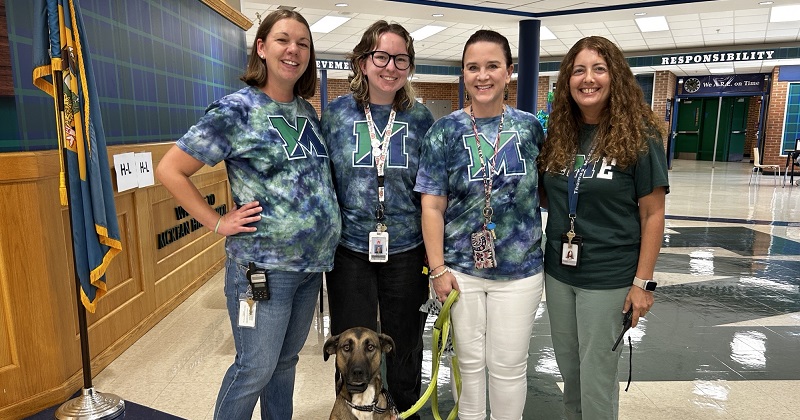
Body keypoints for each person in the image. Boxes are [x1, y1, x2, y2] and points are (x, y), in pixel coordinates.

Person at [155, 10, 341, 420]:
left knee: (285, 364)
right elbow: (170, 169)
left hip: (310, 268)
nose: (294, 50)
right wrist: (217, 221)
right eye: (283, 40)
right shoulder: (236, 110)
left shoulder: (306, 112)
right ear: (261, 47)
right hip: (263, 269)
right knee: (254, 367)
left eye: (303, 44)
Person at [414, 30, 545, 420]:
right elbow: (432, 207)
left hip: (520, 271)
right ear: (463, 75)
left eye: (492, 66)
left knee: (508, 366)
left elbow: (547, 193)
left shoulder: (530, 129)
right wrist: (437, 269)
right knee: (468, 366)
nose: (482, 75)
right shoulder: (445, 131)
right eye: (473, 67)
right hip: (458, 270)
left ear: (509, 72)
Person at [538, 35, 669, 420]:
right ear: (567, 80)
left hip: (609, 276)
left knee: (597, 375)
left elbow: (653, 214)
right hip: (559, 272)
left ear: (616, 77)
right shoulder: (560, 133)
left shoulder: (640, 136)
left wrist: (642, 284)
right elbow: (550, 194)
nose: (588, 78)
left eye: (599, 68)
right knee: (569, 369)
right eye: (579, 70)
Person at [320, 20, 434, 418]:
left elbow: (433, 191)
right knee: (353, 349)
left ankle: (402, 412)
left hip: (406, 248)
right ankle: (352, 412)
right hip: (350, 250)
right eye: (381, 56)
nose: (391, 66)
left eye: (401, 58)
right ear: (362, 62)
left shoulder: (421, 120)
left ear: (409, 65)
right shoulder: (335, 116)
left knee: (404, 343)